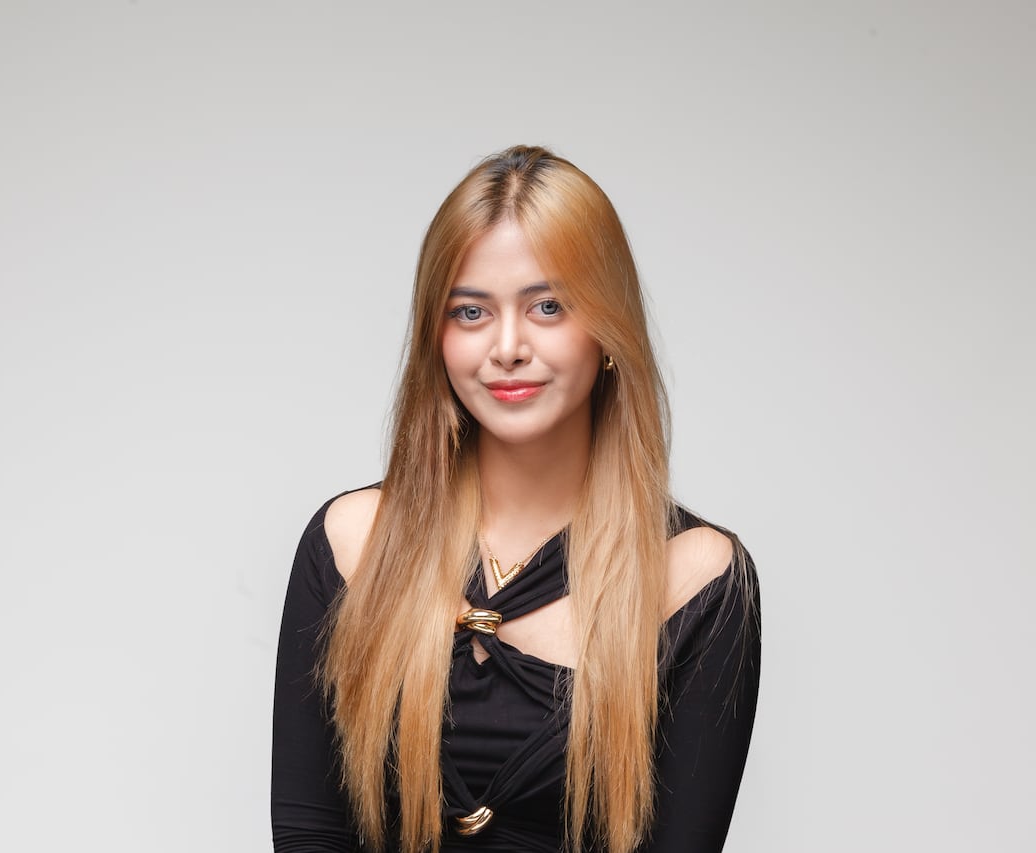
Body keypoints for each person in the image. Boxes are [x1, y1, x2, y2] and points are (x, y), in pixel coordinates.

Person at [270, 146, 760, 853]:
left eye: (548, 306)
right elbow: (310, 831)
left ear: (610, 328)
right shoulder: (351, 541)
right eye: (470, 311)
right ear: (436, 337)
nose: (507, 346)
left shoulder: (698, 575)